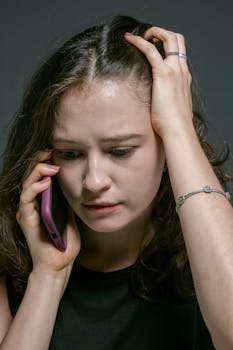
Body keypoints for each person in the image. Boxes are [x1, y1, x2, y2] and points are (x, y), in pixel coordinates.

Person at [0, 14, 232, 350]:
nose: (93, 182)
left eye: (120, 151)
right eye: (70, 154)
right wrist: (47, 278)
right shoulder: (10, 258)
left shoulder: (215, 243)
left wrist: (179, 128)